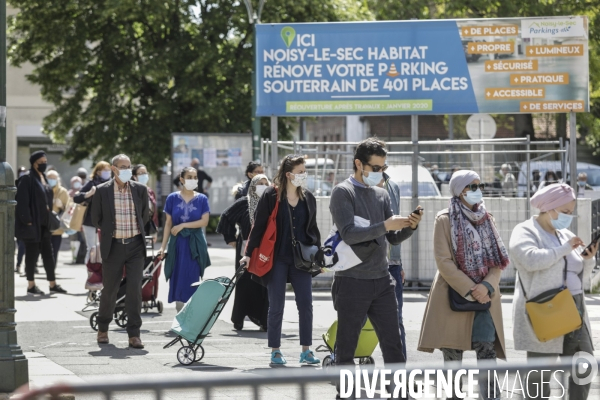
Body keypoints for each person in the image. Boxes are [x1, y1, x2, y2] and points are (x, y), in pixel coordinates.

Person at [329, 138, 418, 377]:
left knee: (393, 343)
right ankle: (345, 392)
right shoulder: (342, 192)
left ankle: (399, 391)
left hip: (382, 280)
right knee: (347, 346)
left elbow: (393, 238)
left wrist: (409, 226)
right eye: (376, 168)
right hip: (351, 281)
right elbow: (348, 234)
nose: (380, 173)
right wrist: (385, 225)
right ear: (359, 164)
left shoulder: (381, 195)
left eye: (383, 168)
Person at [418, 170, 509, 400]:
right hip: (454, 295)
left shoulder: (488, 218)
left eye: (480, 185)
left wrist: (486, 286)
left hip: (485, 297)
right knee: (452, 356)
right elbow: (444, 261)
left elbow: (497, 259)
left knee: (487, 350)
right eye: (473, 186)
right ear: (460, 190)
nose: (478, 191)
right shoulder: (445, 219)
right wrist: (471, 288)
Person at [510, 183, 597, 399]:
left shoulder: (564, 233)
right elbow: (529, 259)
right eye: (565, 212)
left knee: (584, 366)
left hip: (574, 307)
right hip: (545, 307)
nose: (569, 217)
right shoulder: (525, 231)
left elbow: (579, 275)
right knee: (539, 376)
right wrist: (565, 248)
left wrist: (588, 259)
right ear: (549, 208)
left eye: (571, 212)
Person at [239, 155, 321, 365]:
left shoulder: (308, 198)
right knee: (276, 305)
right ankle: (275, 350)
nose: (304, 175)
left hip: (301, 261)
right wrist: (247, 254)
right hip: (276, 259)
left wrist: (318, 257)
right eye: (300, 171)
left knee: (306, 305)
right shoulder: (271, 195)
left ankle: (306, 350)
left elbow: (312, 229)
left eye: (304, 171)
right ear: (288, 174)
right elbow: (258, 226)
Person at [91, 154, 149, 348]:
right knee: (110, 290)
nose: (127, 170)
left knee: (134, 290)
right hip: (113, 245)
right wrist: (109, 232)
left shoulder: (140, 189)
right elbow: (95, 218)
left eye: (129, 166)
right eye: (122, 167)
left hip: (135, 246)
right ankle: (103, 329)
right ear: (114, 169)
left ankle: (134, 334)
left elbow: (144, 216)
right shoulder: (102, 190)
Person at [217, 174, 270, 331]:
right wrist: (230, 238)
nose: (262, 185)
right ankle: (239, 318)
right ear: (252, 186)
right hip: (245, 249)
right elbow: (226, 217)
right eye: (259, 183)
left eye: (265, 183)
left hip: (266, 250)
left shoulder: (272, 203)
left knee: (264, 285)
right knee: (244, 282)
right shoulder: (244, 202)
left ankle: (263, 319)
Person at [379, 171, 420, 361]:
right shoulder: (353, 189)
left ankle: (398, 373)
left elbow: (393, 234)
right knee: (356, 320)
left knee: (396, 320)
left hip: (392, 265)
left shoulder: (393, 187)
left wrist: (399, 262)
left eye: (382, 165)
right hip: (364, 266)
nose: (380, 170)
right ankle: (340, 359)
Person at [158, 167, 211, 312]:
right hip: (177, 243)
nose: (193, 180)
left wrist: (183, 225)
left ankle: (192, 313)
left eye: (195, 177)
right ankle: (179, 311)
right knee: (177, 275)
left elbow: (204, 221)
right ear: (181, 179)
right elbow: (168, 223)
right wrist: (163, 247)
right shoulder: (172, 198)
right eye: (189, 176)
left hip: (195, 243)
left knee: (192, 276)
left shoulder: (202, 198)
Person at [15, 151, 67, 295]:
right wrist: (28, 220)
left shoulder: (43, 178)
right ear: (34, 162)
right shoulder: (27, 179)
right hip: (33, 225)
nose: (44, 163)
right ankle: (31, 285)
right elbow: (22, 202)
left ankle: (52, 284)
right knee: (31, 255)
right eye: (41, 161)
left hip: (44, 225)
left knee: (48, 255)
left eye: (45, 161)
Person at [74, 161, 111, 263]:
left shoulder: (113, 184)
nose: (108, 172)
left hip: (107, 223)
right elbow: (76, 198)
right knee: (92, 248)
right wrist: (89, 194)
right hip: (90, 222)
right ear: (98, 172)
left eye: (109, 170)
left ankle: (102, 274)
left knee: (106, 249)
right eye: (105, 170)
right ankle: (91, 273)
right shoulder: (92, 183)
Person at [47, 170, 70, 266]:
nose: (51, 180)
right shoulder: (43, 189)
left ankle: (52, 269)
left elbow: (68, 209)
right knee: (45, 250)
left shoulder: (63, 192)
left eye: (53, 178)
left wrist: (61, 206)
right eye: (49, 178)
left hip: (57, 227)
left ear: (57, 179)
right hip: (44, 226)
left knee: (55, 250)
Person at [132, 164, 159, 237]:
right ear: (135, 176)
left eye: (145, 173)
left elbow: (154, 212)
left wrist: (155, 228)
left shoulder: (150, 191)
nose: (143, 175)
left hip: (148, 225)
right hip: (135, 227)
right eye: (140, 173)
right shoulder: (132, 191)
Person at [15, 166, 29, 274]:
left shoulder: (30, 187)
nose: (22, 174)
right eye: (21, 172)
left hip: (27, 221)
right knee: (21, 245)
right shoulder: (15, 185)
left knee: (25, 245)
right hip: (18, 221)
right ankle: (19, 264)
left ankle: (26, 267)